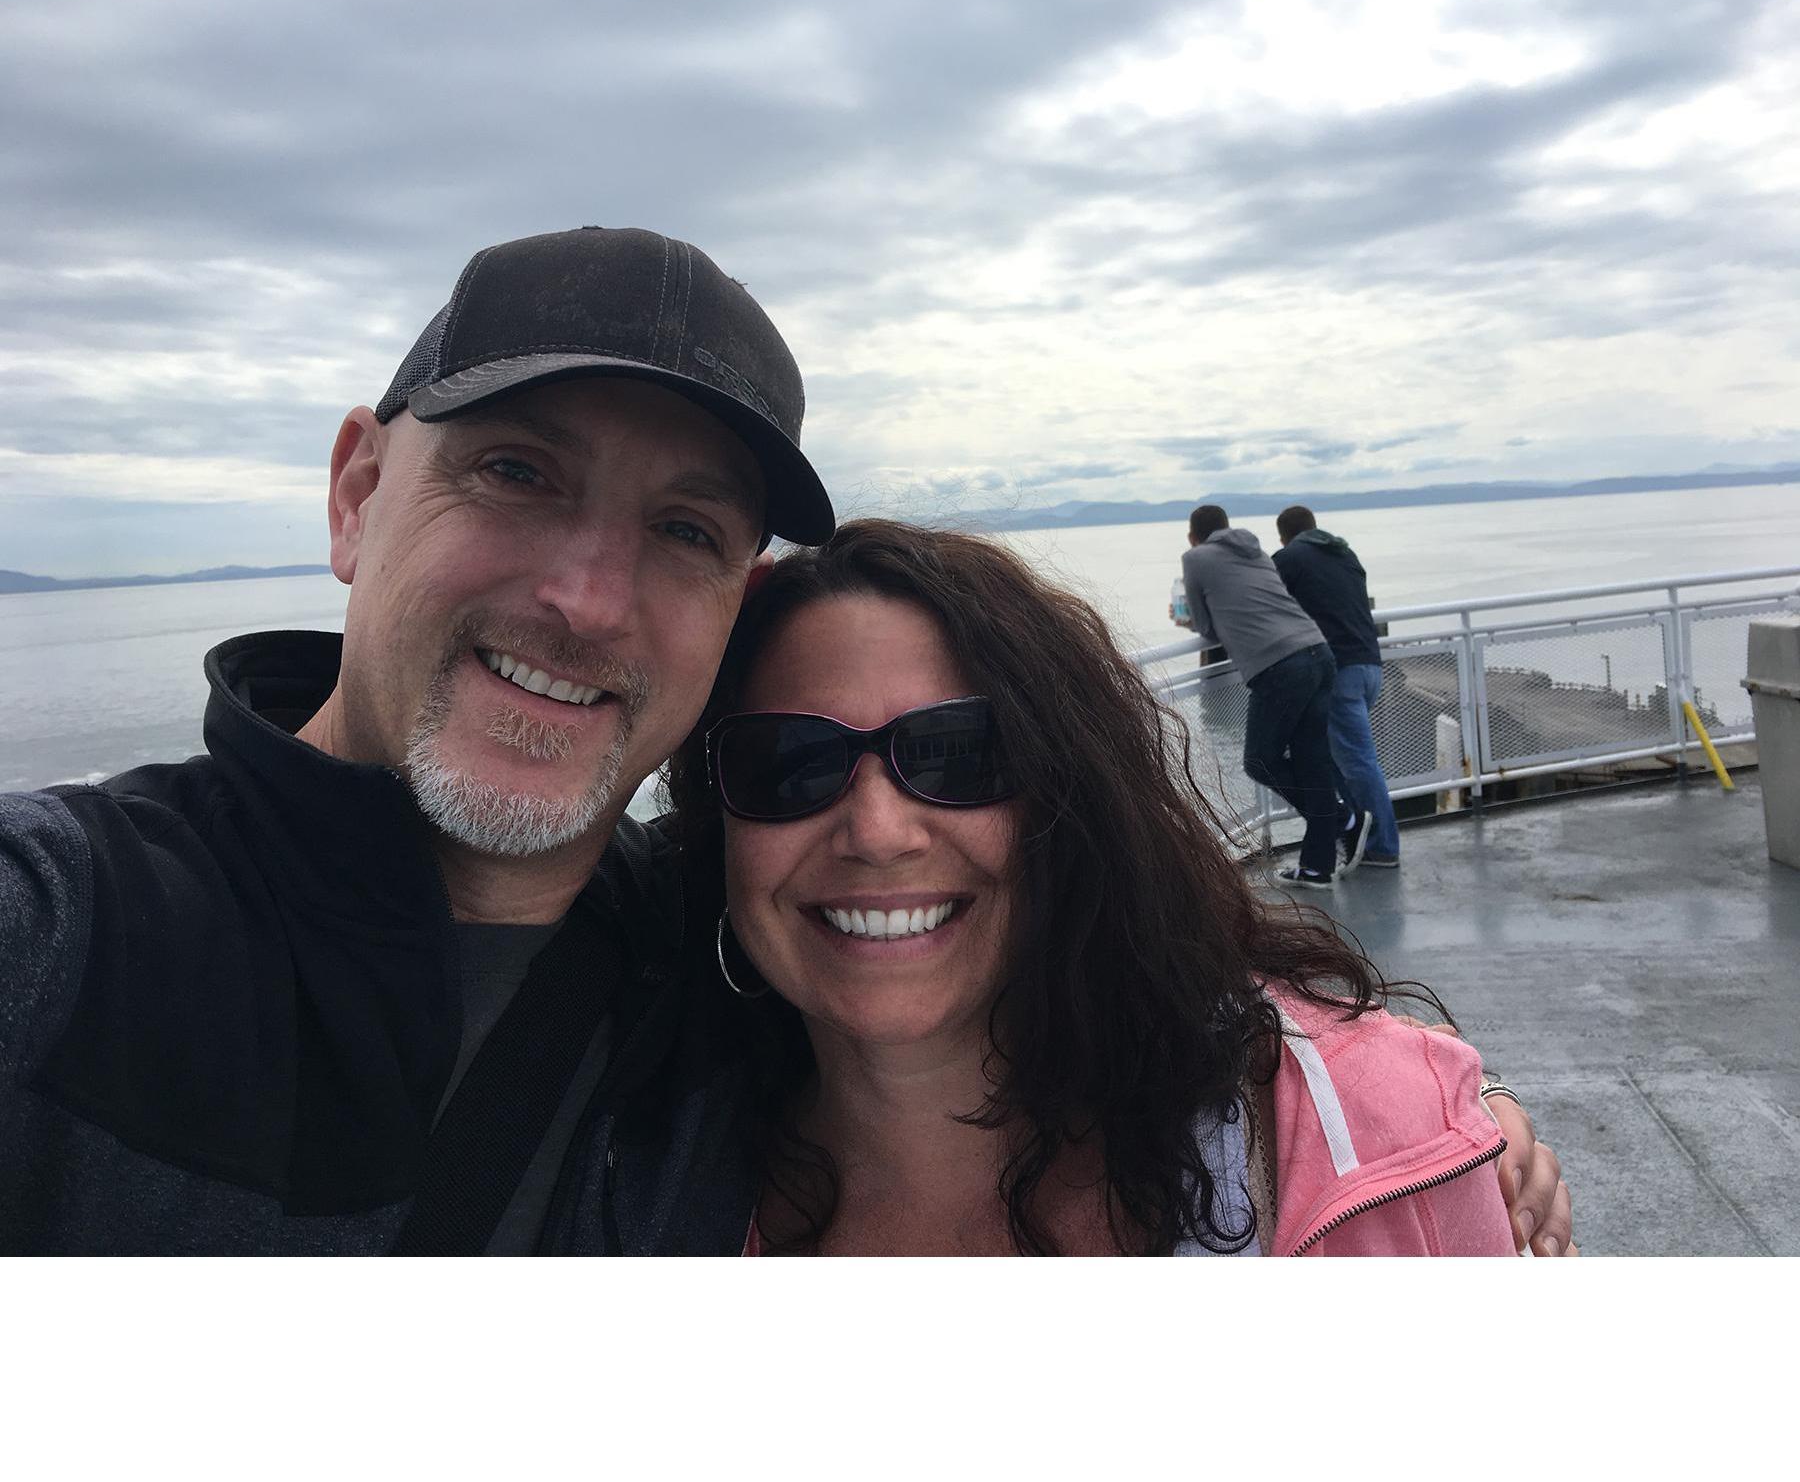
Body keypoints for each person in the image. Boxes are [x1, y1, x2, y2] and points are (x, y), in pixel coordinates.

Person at [0, 225, 833, 1254]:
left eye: (685, 531)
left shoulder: (755, 989)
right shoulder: (63, 933)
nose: (589, 602)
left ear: (734, 614)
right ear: (358, 494)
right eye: (517, 472)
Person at [667, 520, 1571, 1256]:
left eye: (956, 754)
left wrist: (1435, 1105)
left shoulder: (1383, 1151)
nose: (876, 832)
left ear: (1071, 801)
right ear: (716, 826)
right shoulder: (641, 1177)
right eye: (789, 763)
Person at [1181, 505, 1357, 886]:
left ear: (1193, 535)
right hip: (1318, 651)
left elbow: (1206, 627)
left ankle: (1340, 817)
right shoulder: (1256, 551)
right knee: (1312, 760)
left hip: (1279, 665)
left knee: (1260, 761)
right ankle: (1317, 867)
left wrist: (1188, 620)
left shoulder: (1194, 559)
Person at [1273, 504, 1400, 869]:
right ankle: (1357, 833)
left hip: (1339, 671)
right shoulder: (1344, 552)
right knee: (1331, 758)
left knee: (1357, 762)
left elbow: (1266, 603)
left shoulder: (1290, 558)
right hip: (1370, 666)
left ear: (1284, 535)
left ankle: (1382, 847)